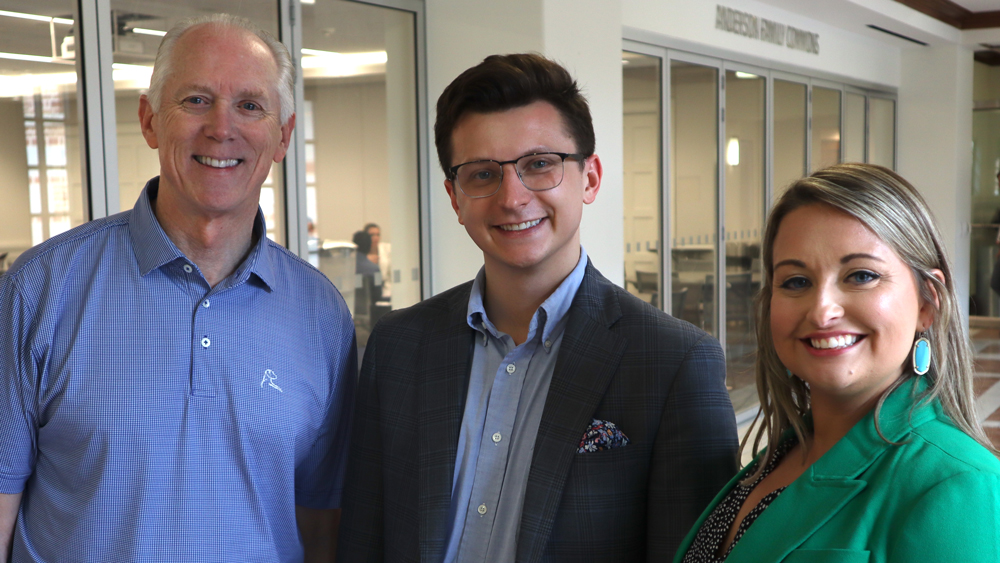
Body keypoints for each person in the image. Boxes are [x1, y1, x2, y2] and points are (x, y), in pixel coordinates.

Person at [338, 53, 738, 562]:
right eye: (483, 174)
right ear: (456, 197)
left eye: (539, 165)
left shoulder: (676, 362)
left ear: (589, 178)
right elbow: (363, 539)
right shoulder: (398, 346)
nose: (512, 196)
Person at [0, 14, 355, 562]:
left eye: (250, 105)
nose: (221, 127)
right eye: (195, 100)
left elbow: (320, 522)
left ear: (282, 137)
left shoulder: (321, 315)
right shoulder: (39, 291)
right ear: (149, 121)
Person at [675, 163, 1000, 563]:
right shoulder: (785, 453)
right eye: (796, 281)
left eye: (861, 275)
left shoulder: (958, 485)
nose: (822, 310)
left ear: (927, 302)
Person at [364, 222, 392, 299]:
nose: (375, 237)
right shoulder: (361, 253)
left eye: (378, 234)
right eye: (372, 235)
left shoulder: (387, 249)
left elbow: (391, 274)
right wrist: (366, 261)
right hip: (368, 290)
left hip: (386, 288)